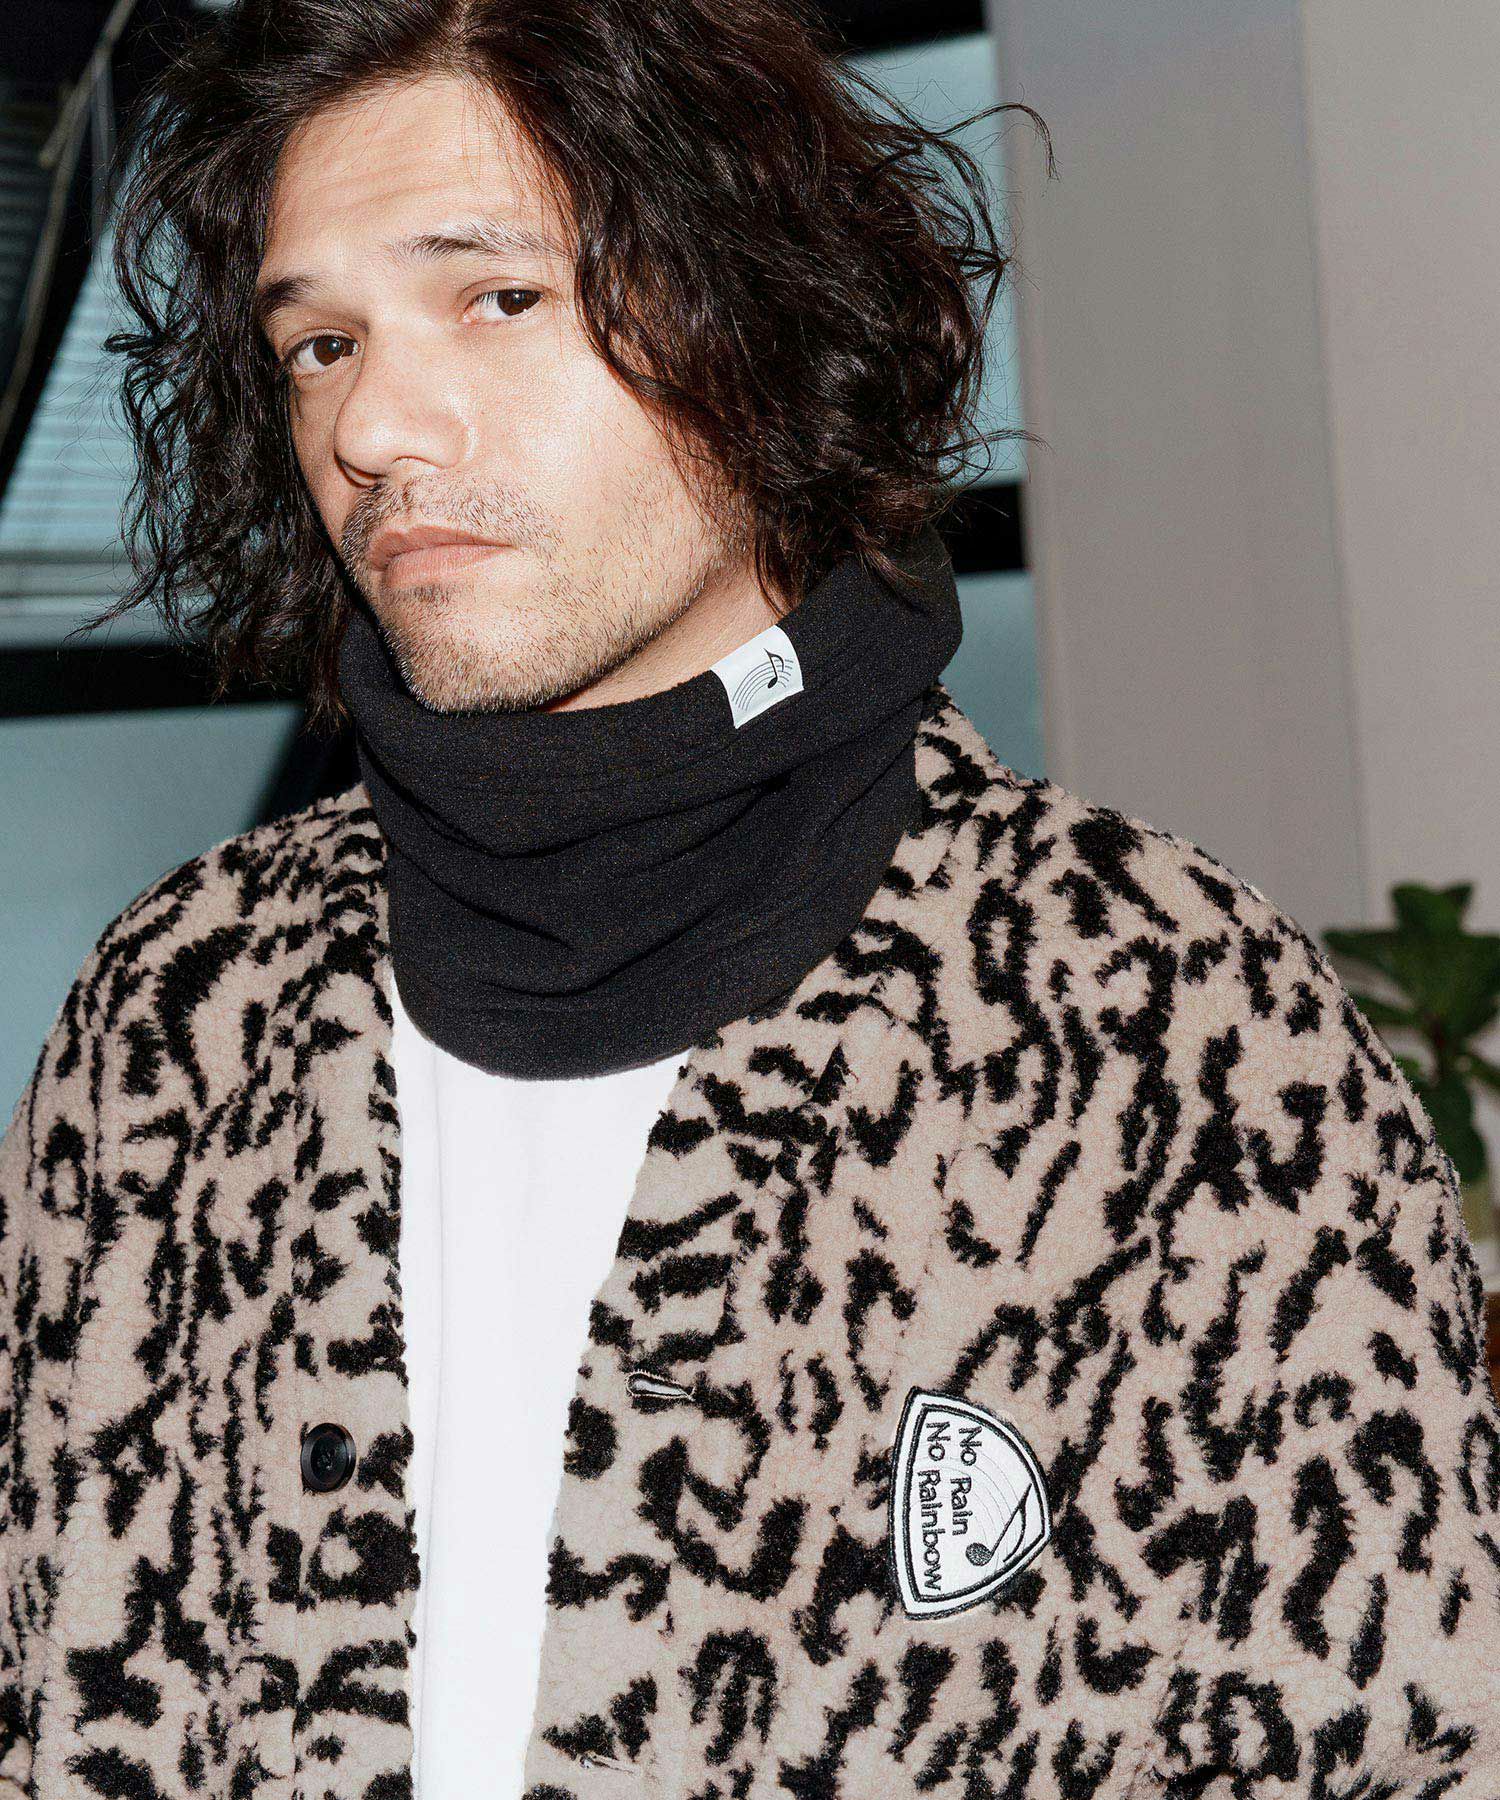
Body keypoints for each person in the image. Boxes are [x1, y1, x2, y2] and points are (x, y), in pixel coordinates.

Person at [3, 0, 1498, 1794]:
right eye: (320, 343)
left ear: (757, 315)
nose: (376, 425)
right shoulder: (177, 1025)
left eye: (498, 298)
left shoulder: (1170, 1033)